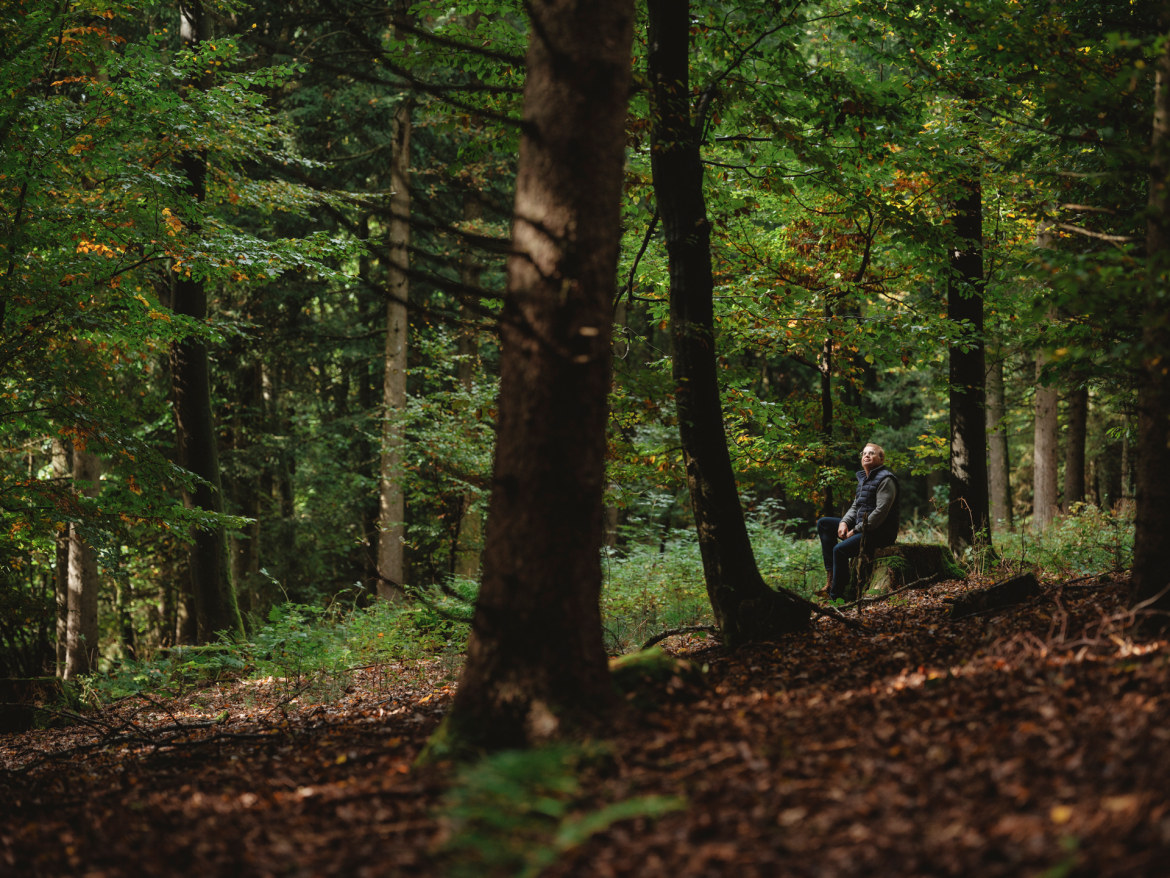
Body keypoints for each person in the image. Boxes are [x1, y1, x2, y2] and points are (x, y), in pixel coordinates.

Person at [816, 443, 900, 601]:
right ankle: (831, 577)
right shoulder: (864, 479)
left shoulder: (886, 480)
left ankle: (837, 597)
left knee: (839, 550)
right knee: (824, 523)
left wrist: (856, 530)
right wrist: (844, 523)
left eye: (872, 453)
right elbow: (856, 506)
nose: (866, 456)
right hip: (864, 528)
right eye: (864, 453)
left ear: (881, 459)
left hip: (880, 532)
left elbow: (880, 513)